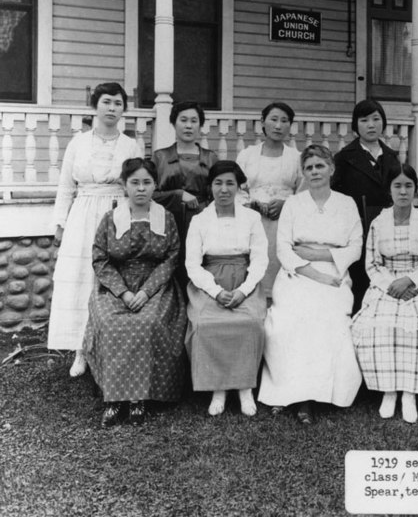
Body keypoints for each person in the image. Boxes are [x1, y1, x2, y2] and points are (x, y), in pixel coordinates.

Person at [260, 144, 363, 424]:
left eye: (320, 165)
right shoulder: (294, 203)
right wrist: (312, 272)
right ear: (303, 172)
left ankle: (322, 394)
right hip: (297, 272)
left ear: (331, 169)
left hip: (335, 271)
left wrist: (321, 255)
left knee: (328, 318)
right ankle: (289, 394)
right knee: (287, 320)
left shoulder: (346, 203)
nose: (315, 171)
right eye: (309, 167)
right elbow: (282, 248)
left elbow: (355, 247)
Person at [48, 82, 143, 377]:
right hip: (83, 211)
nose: (112, 108)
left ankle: (107, 347)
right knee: (82, 278)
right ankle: (81, 350)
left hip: (116, 213)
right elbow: (66, 186)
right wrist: (60, 224)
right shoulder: (78, 142)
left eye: (117, 103)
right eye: (106, 102)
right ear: (95, 106)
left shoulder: (130, 145)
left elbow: (135, 185)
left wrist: (132, 224)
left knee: (112, 277)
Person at [84, 158, 187, 427]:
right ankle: (114, 399)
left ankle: (139, 399)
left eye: (147, 182)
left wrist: (147, 291)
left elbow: (171, 258)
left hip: (156, 285)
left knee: (147, 322)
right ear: (124, 185)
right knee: (110, 323)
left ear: (155, 185)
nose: (141, 188)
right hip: (115, 287)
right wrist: (123, 293)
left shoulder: (165, 218)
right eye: (134, 182)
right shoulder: (111, 219)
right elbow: (100, 260)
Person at [351, 164, 418, 424]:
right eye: (398, 186)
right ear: (389, 190)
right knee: (379, 324)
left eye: (408, 186)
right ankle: (389, 391)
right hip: (386, 284)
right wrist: (391, 285)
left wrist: (411, 281)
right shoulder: (378, 222)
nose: (403, 191)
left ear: (415, 190)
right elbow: (372, 265)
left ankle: (410, 392)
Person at [185, 161, 269, 417]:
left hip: (244, 279)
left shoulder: (252, 218)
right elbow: (192, 264)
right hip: (209, 282)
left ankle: (244, 387)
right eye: (218, 183)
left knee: (251, 321)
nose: (224, 189)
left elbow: (260, 258)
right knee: (205, 323)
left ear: (238, 186)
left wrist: (243, 290)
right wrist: (215, 291)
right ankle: (217, 388)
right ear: (210, 187)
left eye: (230, 183)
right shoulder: (200, 221)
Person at [331, 99, 400, 312]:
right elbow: (336, 197)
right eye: (364, 120)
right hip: (357, 229)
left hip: (386, 229)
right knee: (360, 282)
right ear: (355, 125)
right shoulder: (344, 158)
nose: (371, 125)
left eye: (376, 119)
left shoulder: (391, 157)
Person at [236, 102, 303, 298]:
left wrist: (286, 205)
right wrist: (253, 206)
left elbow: (303, 193)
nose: (278, 125)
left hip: (284, 222)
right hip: (253, 219)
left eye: (284, 121)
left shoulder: (296, 158)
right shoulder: (247, 155)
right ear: (263, 123)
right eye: (273, 119)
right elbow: (238, 190)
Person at [152, 101, 218, 291]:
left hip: (201, 221)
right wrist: (178, 194)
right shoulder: (160, 157)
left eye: (194, 121)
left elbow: (220, 193)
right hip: (168, 223)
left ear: (200, 125)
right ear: (173, 123)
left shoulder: (210, 158)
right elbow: (149, 194)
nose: (188, 126)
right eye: (183, 120)